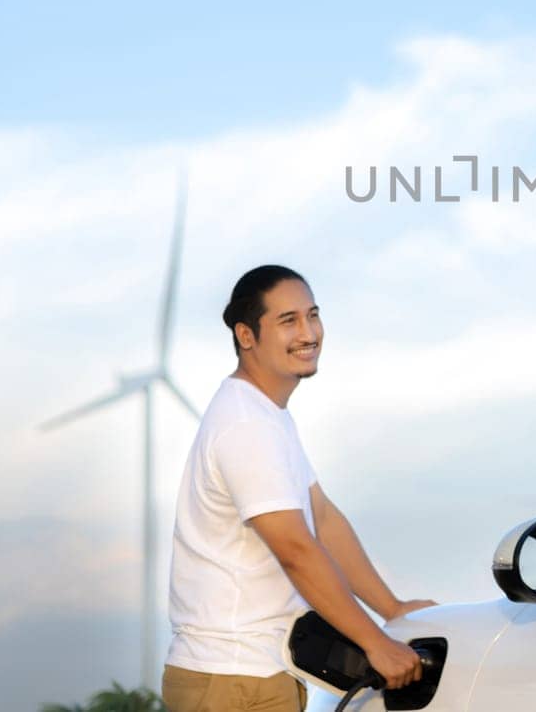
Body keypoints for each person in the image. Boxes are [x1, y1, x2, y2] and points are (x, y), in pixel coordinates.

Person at [163, 265, 435, 712]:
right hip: (232, 681)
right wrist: (375, 643)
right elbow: (295, 549)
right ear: (246, 335)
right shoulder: (247, 424)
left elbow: (322, 519)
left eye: (313, 315)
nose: (309, 333)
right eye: (288, 321)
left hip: (254, 676)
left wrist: (392, 607)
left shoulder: (268, 415)